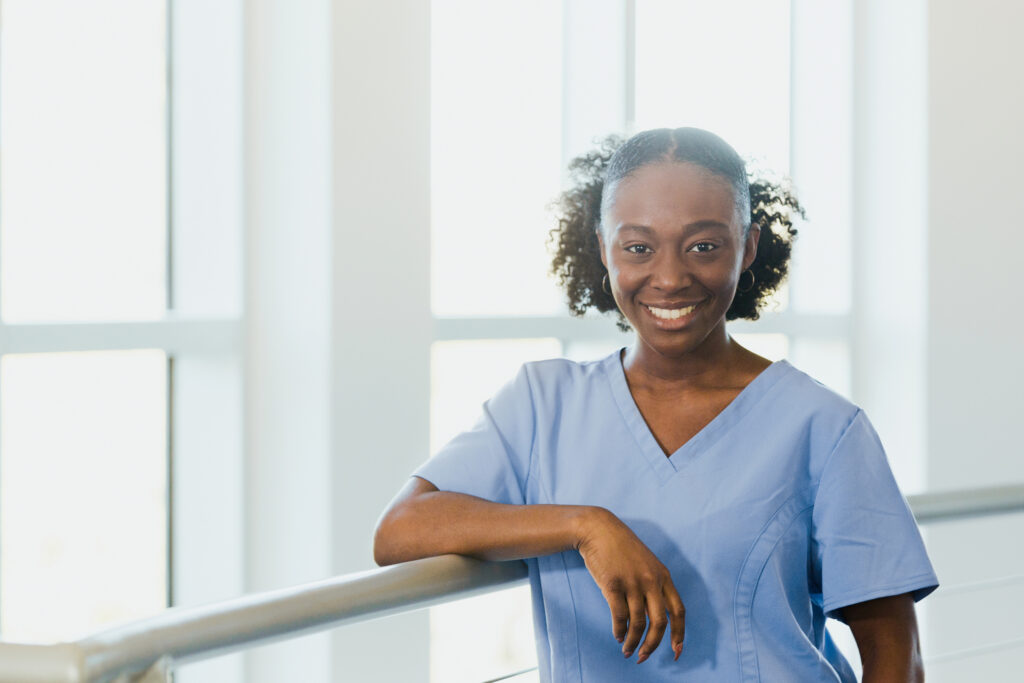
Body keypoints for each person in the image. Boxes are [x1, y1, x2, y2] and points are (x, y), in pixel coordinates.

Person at [374, 127, 938, 682]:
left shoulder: (825, 428)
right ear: (603, 248)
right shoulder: (541, 404)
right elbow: (400, 531)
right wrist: (586, 526)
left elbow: (897, 659)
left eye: (703, 246)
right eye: (639, 247)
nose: (669, 278)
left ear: (748, 248)